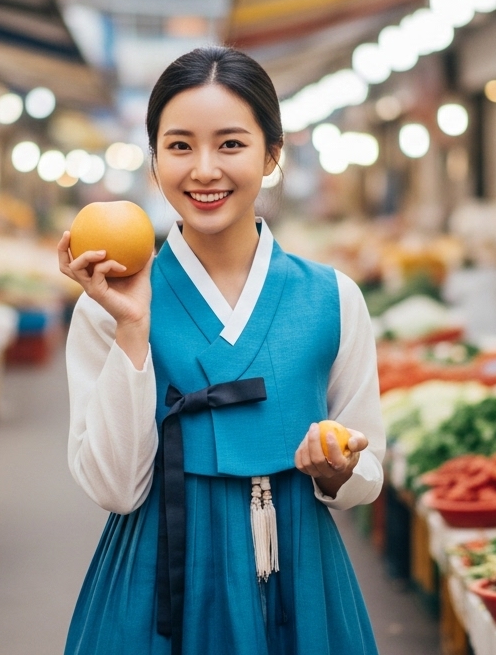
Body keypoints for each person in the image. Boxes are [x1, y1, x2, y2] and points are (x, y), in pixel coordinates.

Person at [59, 46, 385, 654]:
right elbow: (115, 488)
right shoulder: (105, 307)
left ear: (271, 155)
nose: (204, 170)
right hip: (158, 579)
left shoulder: (333, 299)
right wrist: (132, 328)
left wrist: (338, 470)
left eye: (231, 144)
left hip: (301, 574)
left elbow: (370, 470)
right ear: (154, 162)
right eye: (180, 146)